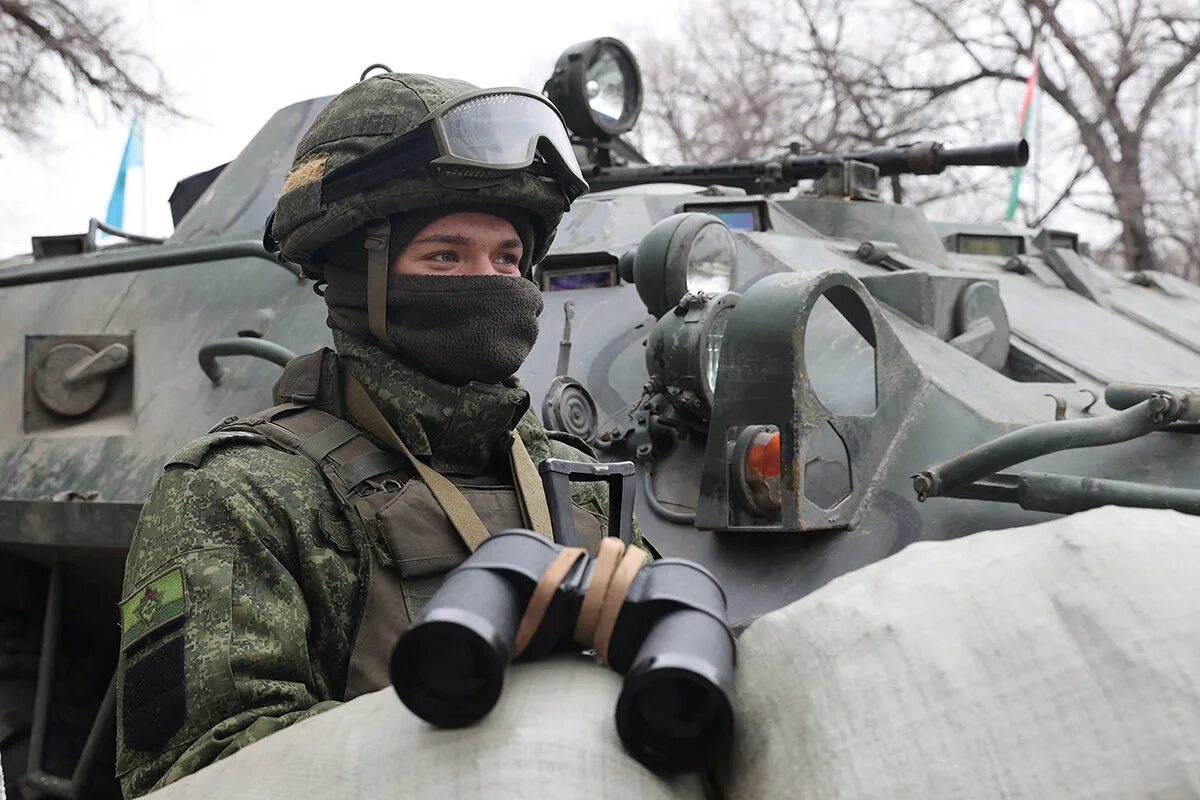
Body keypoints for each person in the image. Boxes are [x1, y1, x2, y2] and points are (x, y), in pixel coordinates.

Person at [114, 73, 638, 798]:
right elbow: (204, 771)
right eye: (446, 257)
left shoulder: (576, 477)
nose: (489, 283)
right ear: (358, 277)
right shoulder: (242, 493)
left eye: (507, 260)